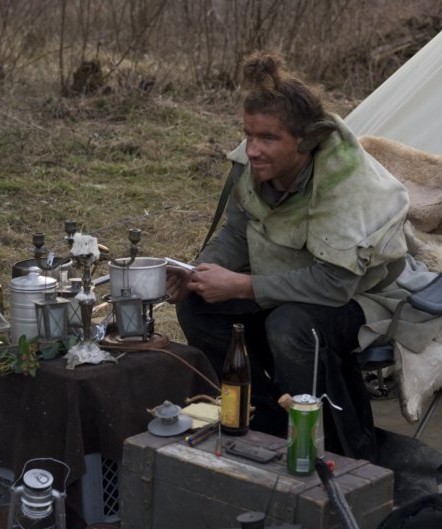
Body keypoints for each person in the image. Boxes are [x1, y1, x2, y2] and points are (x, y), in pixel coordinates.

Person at [167, 51, 410, 461]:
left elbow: (336, 285)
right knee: (196, 306)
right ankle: (265, 423)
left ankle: (316, 441)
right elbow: (238, 231)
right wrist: (196, 273)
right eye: (248, 135)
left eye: (268, 138)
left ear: (304, 141)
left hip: (361, 297)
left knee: (288, 325)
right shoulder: (252, 165)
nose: (253, 150)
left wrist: (242, 286)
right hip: (284, 277)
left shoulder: (344, 183)